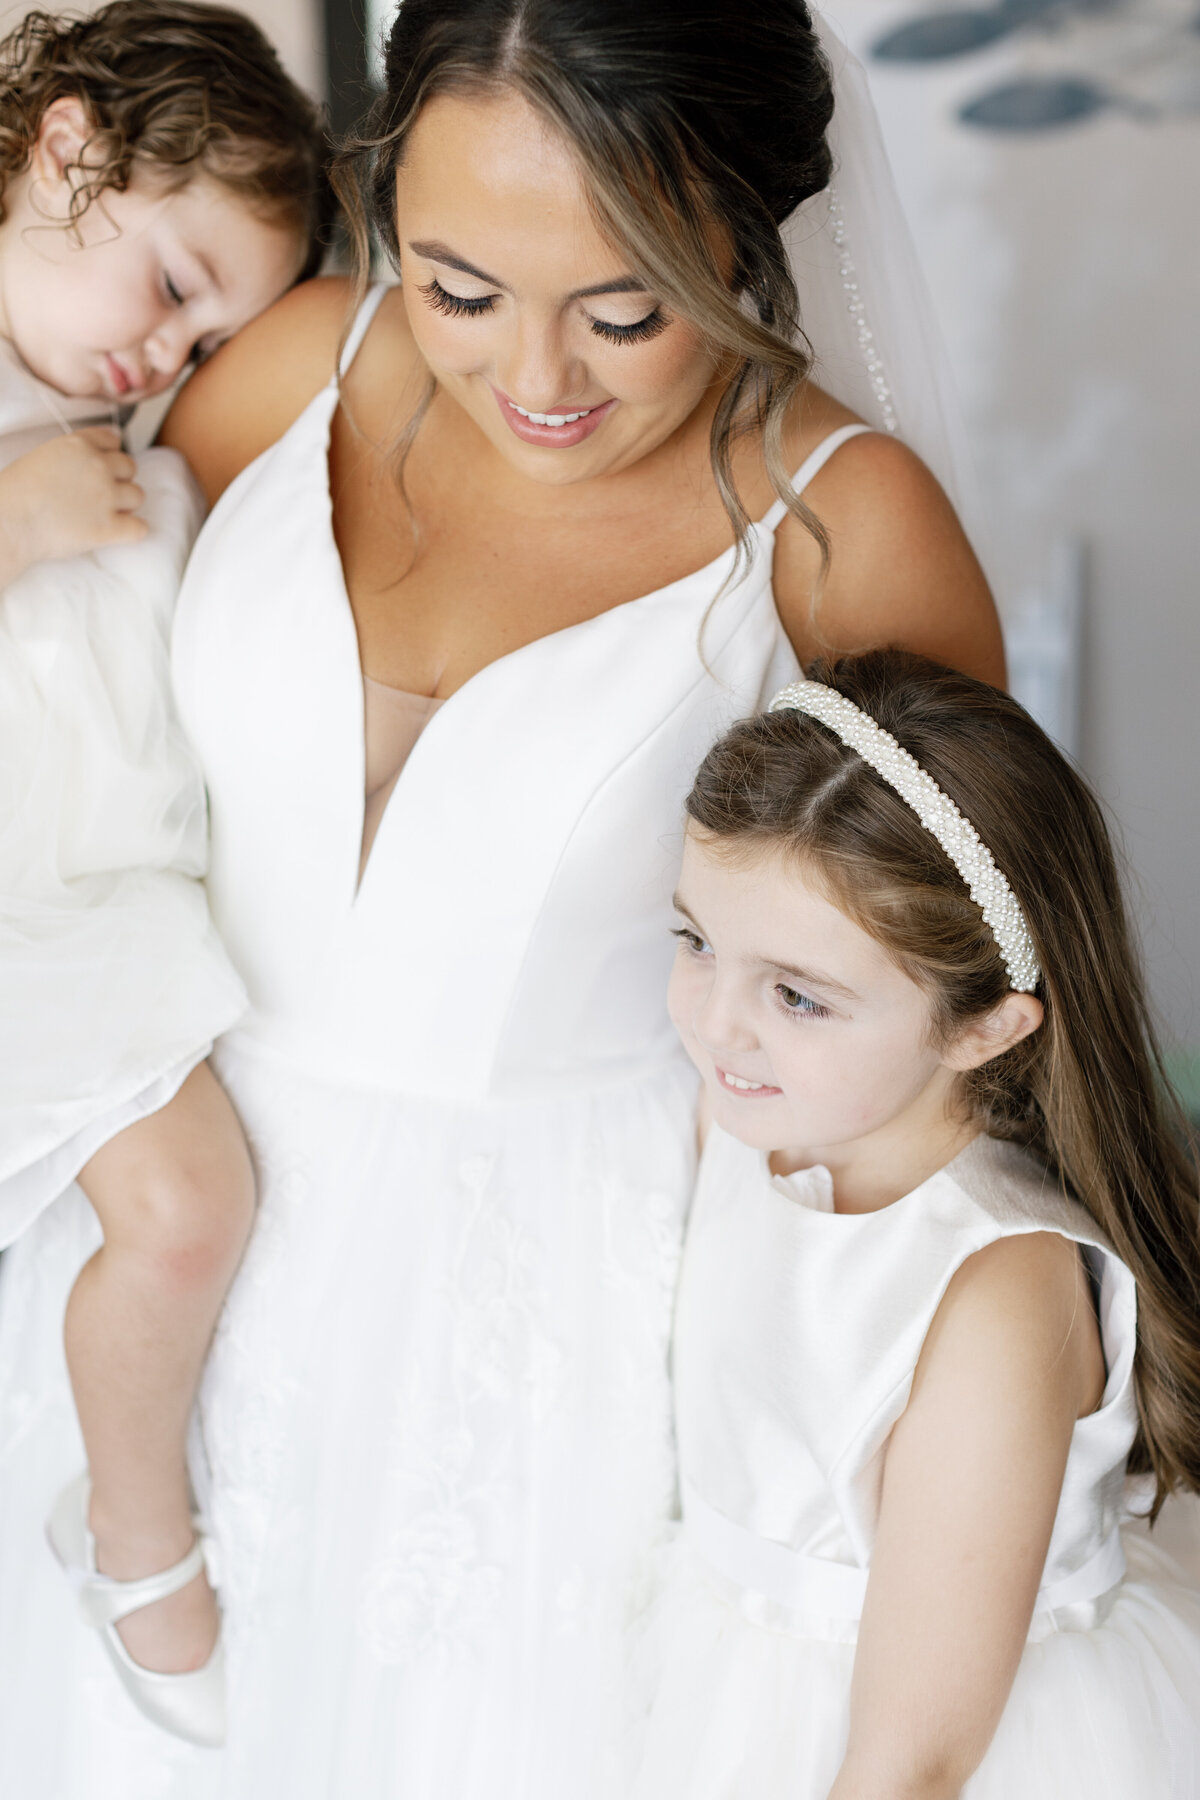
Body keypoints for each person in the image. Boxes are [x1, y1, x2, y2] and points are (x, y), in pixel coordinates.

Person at [1, 2, 1001, 1794]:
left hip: (552, 1363)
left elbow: (938, 1051)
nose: (537, 373)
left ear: (750, 235)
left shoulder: (852, 529)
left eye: (626, 309)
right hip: (143, 1273)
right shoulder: (289, 359)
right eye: (458, 288)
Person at [633, 648, 1200, 1799]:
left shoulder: (998, 1296)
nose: (717, 1025)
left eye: (797, 995)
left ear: (984, 1028)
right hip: (713, 1672)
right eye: (696, 943)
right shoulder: (750, 1123)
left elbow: (914, 1760)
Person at [0, 0, 328, 1750]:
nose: (177, 346)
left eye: (218, 327)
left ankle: (121, 1505)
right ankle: (140, 1546)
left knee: (199, 1214)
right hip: (26, 917)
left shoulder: (146, 435)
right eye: (175, 280)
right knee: (190, 1209)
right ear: (67, 149)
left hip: (119, 900)